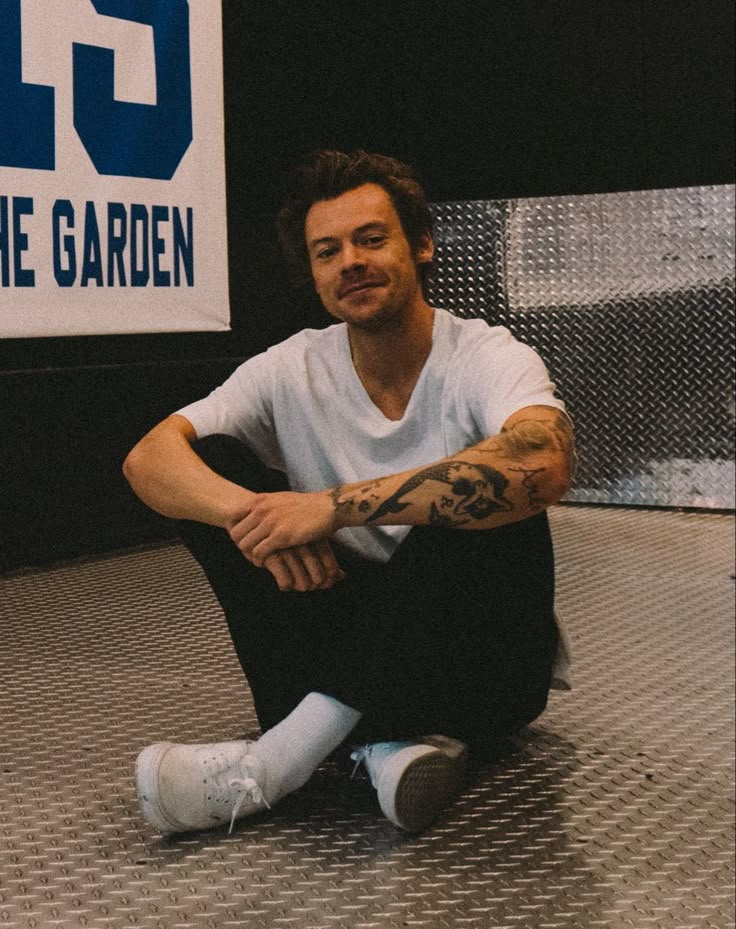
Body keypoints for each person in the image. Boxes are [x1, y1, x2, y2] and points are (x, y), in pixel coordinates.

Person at [123, 149, 575, 836]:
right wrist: (254, 518)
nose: (350, 262)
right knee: (210, 464)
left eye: (371, 238)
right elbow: (147, 458)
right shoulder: (292, 367)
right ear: (311, 271)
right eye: (327, 250)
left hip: (483, 671)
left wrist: (331, 507)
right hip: (340, 645)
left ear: (420, 244)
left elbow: (545, 459)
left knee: (478, 494)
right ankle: (388, 747)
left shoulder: (485, 355)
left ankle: (278, 762)